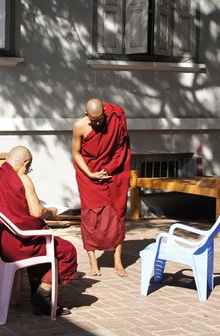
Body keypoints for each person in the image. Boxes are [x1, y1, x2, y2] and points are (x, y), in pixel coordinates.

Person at [0, 146, 78, 316]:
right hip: (16, 246)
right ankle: (42, 294)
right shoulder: (22, 178)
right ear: (26, 163)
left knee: (43, 246)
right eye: (29, 168)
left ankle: (41, 297)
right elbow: (37, 213)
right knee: (67, 250)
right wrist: (52, 211)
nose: (28, 171)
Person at [72, 98, 131, 277]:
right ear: (86, 115)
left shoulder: (114, 118)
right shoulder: (80, 126)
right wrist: (90, 173)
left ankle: (117, 261)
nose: (98, 123)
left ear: (105, 113)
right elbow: (76, 153)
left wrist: (110, 168)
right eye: (94, 120)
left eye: (100, 119)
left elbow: (122, 147)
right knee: (90, 218)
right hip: (88, 175)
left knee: (116, 213)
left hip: (111, 171)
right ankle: (93, 262)